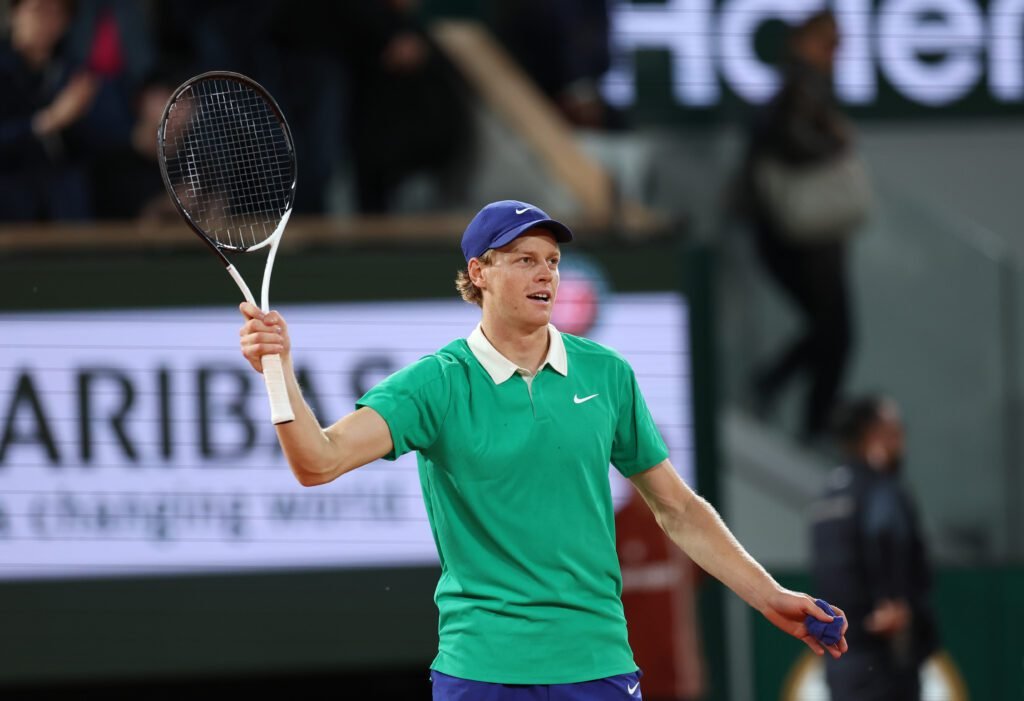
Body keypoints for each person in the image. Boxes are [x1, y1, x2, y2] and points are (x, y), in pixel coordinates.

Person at [238, 200, 848, 699]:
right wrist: (278, 372)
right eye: (525, 259)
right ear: (479, 273)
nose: (546, 275)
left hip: (597, 663)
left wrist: (769, 595)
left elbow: (679, 510)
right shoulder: (435, 383)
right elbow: (317, 462)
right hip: (482, 670)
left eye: (553, 261)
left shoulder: (606, 374)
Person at [741, 10, 861, 442]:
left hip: (807, 233)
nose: (833, 54)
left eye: (837, 45)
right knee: (835, 331)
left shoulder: (809, 85)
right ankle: (810, 418)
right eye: (827, 43)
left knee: (832, 331)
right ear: (802, 42)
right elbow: (787, 141)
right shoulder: (800, 85)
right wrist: (835, 141)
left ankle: (794, 402)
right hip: (796, 234)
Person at [810, 396, 940, 701]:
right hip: (884, 658)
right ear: (874, 436)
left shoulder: (826, 495)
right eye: (895, 432)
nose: (901, 442)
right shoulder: (881, 489)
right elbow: (885, 534)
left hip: (840, 656)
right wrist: (890, 602)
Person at [0, 0, 96, 221]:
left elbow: (96, 141)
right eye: (38, 10)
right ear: (14, 14)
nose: (47, 21)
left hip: (62, 197)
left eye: (57, 13)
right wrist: (48, 121)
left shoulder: (73, 71)